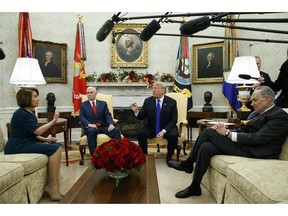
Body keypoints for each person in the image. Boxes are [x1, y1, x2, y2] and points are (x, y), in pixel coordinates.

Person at [168, 86, 288, 198]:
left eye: (255, 100)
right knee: (206, 146)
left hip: (259, 152)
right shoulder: (256, 113)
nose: (252, 104)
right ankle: (194, 186)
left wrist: (227, 134)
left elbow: (258, 138)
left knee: (208, 132)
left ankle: (188, 163)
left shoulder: (279, 116)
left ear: (266, 100)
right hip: (246, 146)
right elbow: (242, 129)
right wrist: (224, 130)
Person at [4, 87, 63, 201]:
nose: (38, 99)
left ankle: (55, 186)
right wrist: (53, 121)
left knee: (58, 146)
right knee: (54, 149)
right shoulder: (21, 113)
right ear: (26, 99)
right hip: (16, 146)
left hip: (25, 142)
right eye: (35, 97)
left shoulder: (30, 113)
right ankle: (52, 188)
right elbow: (38, 131)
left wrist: (46, 140)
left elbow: (32, 134)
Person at [130, 81, 178, 165]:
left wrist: (163, 131)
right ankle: (144, 155)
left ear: (162, 91)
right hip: (152, 127)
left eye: (155, 88)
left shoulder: (172, 102)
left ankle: (169, 157)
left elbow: (174, 120)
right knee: (140, 132)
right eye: (152, 88)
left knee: (173, 135)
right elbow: (142, 116)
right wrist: (136, 111)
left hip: (167, 128)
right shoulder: (148, 101)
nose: (153, 90)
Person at [79, 86, 121, 155]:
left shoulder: (103, 104)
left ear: (95, 93)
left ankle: (117, 153)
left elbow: (107, 115)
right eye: (87, 93)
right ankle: (94, 156)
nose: (89, 94)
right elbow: (81, 117)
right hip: (91, 127)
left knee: (115, 130)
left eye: (91, 92)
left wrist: (111, 124)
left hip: (103, 126)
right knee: (91, 131)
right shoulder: (83, 105)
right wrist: (89, 124)